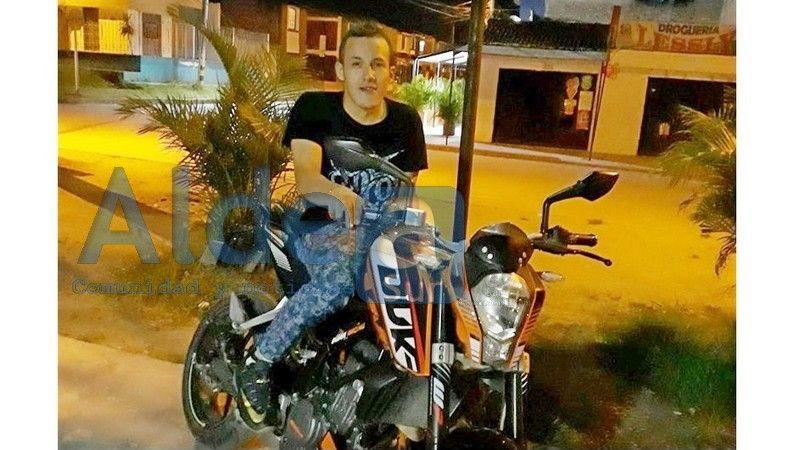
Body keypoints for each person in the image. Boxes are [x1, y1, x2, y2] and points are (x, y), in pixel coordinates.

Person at [235, 21, 429, 427]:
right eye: (356, 63)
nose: (368, 74)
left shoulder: (407, 121)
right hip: (316, 228)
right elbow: (307, 178)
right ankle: (259, 360)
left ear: (391, 71)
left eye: (377, 64)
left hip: (376, 236)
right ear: (340, 69)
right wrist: (341, 196)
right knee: (342, 280)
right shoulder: (315, 109)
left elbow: (406, 190)